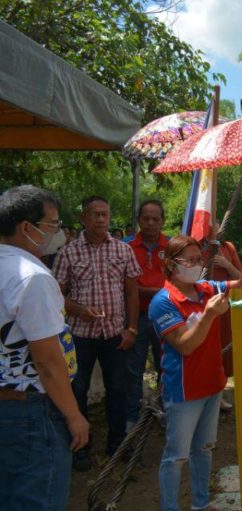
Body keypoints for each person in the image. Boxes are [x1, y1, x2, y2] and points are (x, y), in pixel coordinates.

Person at [0, 186, 89, 511]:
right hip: (32, 413)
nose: (59, 234)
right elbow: (49, 362)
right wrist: (74, 415)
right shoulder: (33, 278)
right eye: (53, 225)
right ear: (27, 228)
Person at [149, 235, 241, 511]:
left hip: (213, 385)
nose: (195, 264)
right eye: (188, 260)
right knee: (176, 457)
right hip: (184, 391)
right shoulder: (163, 302)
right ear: (170, 264)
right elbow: (186, 346)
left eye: (198, 259)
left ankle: (200, 504)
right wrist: (210, 315)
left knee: (204, 450)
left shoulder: (206, 288)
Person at [53, 196, 141, 470]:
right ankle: (81, 447)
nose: (101, 220)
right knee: (77, 389)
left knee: (118, 388)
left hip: (115, 333)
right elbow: (55, 295)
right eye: (95, 215)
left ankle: (117, 444)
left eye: (105, 214)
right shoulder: (68, 252)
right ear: (83, 219)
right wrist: (79, 310)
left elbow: (131, 292)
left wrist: (131, 328)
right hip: (80, 335)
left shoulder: (122, 250)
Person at [125, 199, 168, 433]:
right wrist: (157, 291)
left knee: (167, 366)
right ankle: (131, 421)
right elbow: (123, 285)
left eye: (156, 218)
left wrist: (143, 289)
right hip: (136, 317)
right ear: (139, 220)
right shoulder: (125, 246)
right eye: (146, 218)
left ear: (162, 221)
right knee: (133, 370)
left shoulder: (172, 247)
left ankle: (167, 413)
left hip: (166, 318)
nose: (150, 223)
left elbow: (181, 281)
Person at [201, 223, 242, 399]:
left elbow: (241, 277)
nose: (213, 226)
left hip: (224, 306)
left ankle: (219, 394)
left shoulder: (228, 247)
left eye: (216, 222)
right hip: (202, 307)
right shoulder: (195, 246)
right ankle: (205, 392)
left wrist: (226, 264)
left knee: (223, 348)